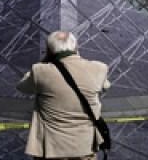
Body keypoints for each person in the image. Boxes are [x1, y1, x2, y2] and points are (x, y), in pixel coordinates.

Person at [17, 31, 110, 160]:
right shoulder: (99, 68)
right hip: (84, 146)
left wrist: (44, 62)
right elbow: (105, 86)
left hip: (51, 148)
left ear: (49, 50)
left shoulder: (40, 70)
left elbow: (22, 87)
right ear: (76, 47)